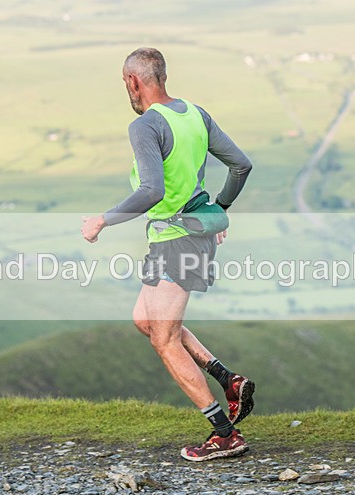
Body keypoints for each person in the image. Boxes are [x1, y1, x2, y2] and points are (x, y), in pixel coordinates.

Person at [81, 47, 254, 461]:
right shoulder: (195, 114)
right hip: (181, 237)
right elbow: (241, 166)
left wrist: (103, 220)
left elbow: (152, 191)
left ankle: (225, 434)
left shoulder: (145, 125)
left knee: (164, 338)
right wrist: (217, 210)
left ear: (133, 81)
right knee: (145, 320)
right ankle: (228, 380)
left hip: (178, 240)